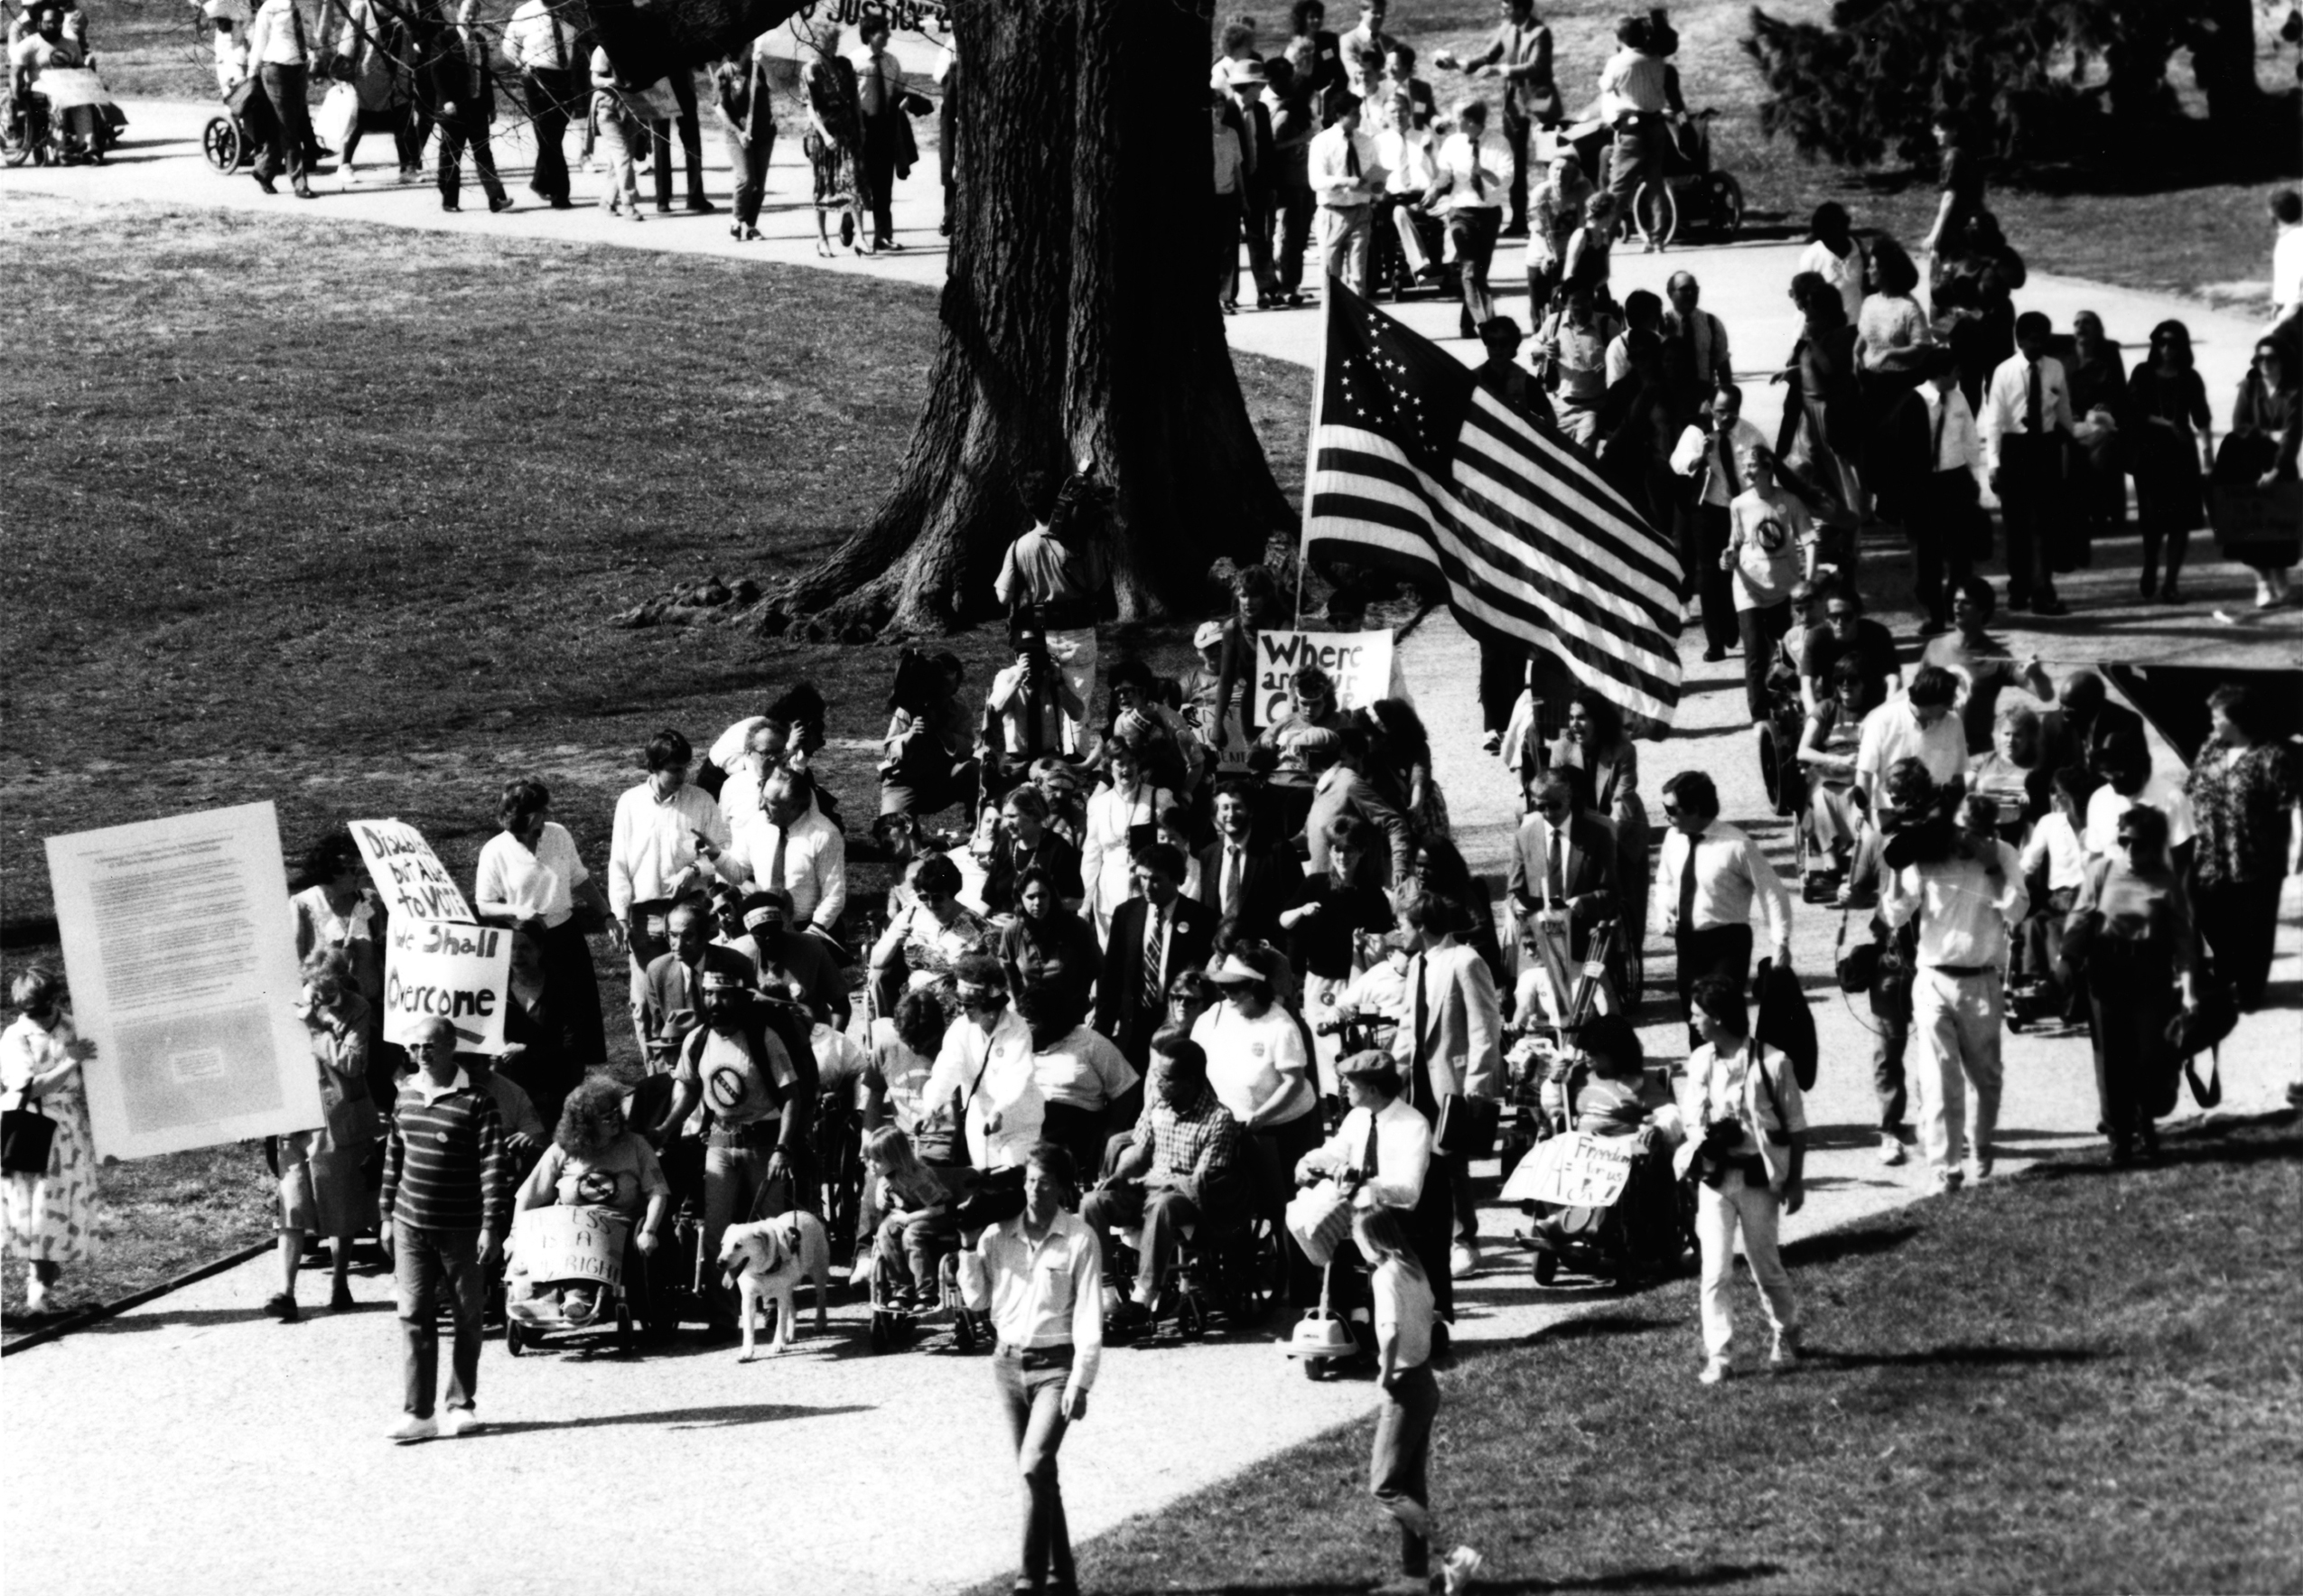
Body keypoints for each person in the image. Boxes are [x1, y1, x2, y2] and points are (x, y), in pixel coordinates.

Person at [956, 1143, 1102, 1596]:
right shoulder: (995, 1236)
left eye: (1045, 1182)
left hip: (1056, 1368)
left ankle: (1028, 1581)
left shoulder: (1080, 1238)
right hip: (1006, 1364)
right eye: (1030, 1181)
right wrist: (965, 1243)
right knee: (1038, 1474)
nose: (1035, 1190)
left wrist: (1081, 1380)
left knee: (1034, 1464)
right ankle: (1063, 1580)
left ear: (1062, 1187)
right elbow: (976, 1301)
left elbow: (1089, 1318)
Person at [1879, 772, 2026, 1190]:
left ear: (1989, 831)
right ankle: (1945, 1168)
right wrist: (1898, 863)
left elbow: (2016, 912)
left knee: (1987, 1078)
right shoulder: (1929, 855)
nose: (1964, 840)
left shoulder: (2003, 854)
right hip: (1933, 978)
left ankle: (1981, 1142)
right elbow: (1894, 914)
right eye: (1959, 830)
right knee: (1939, 1077)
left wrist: (1993, 866)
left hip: (1981, 980)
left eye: (1975, 834)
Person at [656, 967, 816, 1319]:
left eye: (724, 995)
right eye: (710, 994)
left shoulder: (764, 1038)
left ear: (741, 1000)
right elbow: (690, 1089)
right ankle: (724, 1315)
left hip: (763, 1144)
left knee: (771, 1230)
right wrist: (666, 1127)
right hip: (720, 1142)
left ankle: (776, 1305)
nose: (716, 1002)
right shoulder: (697, 1040)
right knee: (717, 1234)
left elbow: (792, 1097)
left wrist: (783, 1148)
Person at [379, 1017, 510, 1441]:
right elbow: (393, 1160)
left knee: (468, 1316)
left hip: (462, 1228)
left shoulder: (478, 1100)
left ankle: (460, 1404)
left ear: (452, 1045)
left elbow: (494, 1167)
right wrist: (385, 1216)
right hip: (410, 1225)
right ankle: (418, 1413)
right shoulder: (405, 1096)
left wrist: (491, 1226)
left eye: (429, 1046)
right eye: (414, 1047)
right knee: (413, 1314)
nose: (421, 1054)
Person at [1674, 975, 1805, 1385]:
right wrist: (1707, 1136)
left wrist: (1795, 1180)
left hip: (1757, 1182)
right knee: (1714, 1271)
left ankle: (1786, 1330)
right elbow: (1691, 1118)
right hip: (1715, 1180)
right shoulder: (1700, 1062)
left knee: (1765, 1265)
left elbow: (1797, 1128)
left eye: (1697, 1014)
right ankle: (1720, 1354)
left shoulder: (1773, 1062)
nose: (1692, 1021)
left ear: (1716, 1018)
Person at [2065, 805, 2201, 1167]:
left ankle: (2146, 1124)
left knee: (2148, 1056)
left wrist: (2188, 992)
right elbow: (2080, 917)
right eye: (2123, 842)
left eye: (2138, 845)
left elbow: (2185, 943)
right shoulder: (2102, 871)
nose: (2129, 851)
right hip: (2106, 971)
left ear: (2154, 846)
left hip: (2150, 974)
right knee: (2112, 1060)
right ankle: (2120, 1140)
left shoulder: (2166, 883)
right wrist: (2066, 961)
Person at [1081, 1030, 1239, 1329]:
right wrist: (1117, 1176)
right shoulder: (1157, 1105)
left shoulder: (1219, 1119)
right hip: (1149, 1187)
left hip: (1188, 1197)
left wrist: (1156, 1185)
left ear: (1190, 1081)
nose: (1156, 1083)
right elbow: (1140, 1151)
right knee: (1092, 1202)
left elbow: (1201, 1180)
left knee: (1163, 1204)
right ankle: (1107, 1296)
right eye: (1156, 1075)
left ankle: (1143, 1296)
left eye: (1166, 1078)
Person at [1391, 891, 1502, 1293]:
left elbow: (1485, 1025)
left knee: (1452, 1165)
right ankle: (1430, 1237)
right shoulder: (1418, 964)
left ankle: (1464, 1242)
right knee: (1421, 1161)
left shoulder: (1465, 961)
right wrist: (1391, 1072)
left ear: (1421, 926)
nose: (1397, 931)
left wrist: (1477, 1081)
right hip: (1418, 1080)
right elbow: (1409, 1024)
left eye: (1401, 924)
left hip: (1452, 1081)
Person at [267, 949, 380, 1321]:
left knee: (339, 1203)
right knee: (292, 1204)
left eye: (326, 989)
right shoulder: (292, 998)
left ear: (340, 982)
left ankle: (340, 1282)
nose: (317, 995)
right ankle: (285, 1292)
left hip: (337, 1120)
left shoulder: (358, 1008)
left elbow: (352, 1062)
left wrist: (315, 1026)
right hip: (295, 1116)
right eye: (313, 987)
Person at [474, 776, 613, 1071]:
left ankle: (575, 1072)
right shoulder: (495, 850)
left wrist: (607, 915)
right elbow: (485, 905)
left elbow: (580, 878)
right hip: (522, 942)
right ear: (530, 815)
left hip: (564, 936)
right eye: (543, 811)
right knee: (533, 1011)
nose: (547, 816)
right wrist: (518, 911)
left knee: (574, 1012)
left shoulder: (558, 835)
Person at [510, 1076, 670, 1324]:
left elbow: (658, 1192)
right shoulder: (562, 1150)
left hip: (619, 1227)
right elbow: (527, 1196)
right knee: (548, 1229)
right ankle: (546, 1296)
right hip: (566, 1229)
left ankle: (577, 1297)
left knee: (589, 1239)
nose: (615, 1118)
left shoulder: (636, 1146)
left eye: (616, 1111)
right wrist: (514, 1234)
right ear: (584, 1124)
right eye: (606, 1116)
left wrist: (649, 1230)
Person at [2182, 683, 2301, 1014]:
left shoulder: (2271, 756)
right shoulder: (2210, 748)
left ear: (2236, 720)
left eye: (2217, 716)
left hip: (2255, 861)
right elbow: (2190, 788)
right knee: (2211, 919)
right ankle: (2228, 971)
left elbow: (2289, 805)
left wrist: (2292, 849)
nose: (2212, 722)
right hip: (2209, 856)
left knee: (2255, 930)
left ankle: (2251, 990)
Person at [607, 730, 726, 1053]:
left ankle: (702, 1062)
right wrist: (619, 916)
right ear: (653, 767)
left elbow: (722, 853)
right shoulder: (630, 803)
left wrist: (694, 869)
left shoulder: (701, 801)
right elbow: (619, 863)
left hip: (689, 911)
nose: (682, 776)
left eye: (685, 768)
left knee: (694, 992)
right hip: (644, 917)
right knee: (645, 1002)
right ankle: (658, 1078)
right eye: (674, 769)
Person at [1655, 770, 1793, 1047]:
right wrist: (1664, 910)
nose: (1665, 816)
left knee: (1722, 1016)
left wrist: (1780, 942)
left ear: (1694, 809)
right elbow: (1666, 879)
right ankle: (1704, 1081)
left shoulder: (1737, 845)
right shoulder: (1673, 839)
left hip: (1727, 943)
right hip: (1689, 942)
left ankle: (1738, 1077)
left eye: (1671, 809)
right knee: (1694, 1019)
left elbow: (1771, 891)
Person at [2, 966, 98, 1316]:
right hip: (27, 1126)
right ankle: (37, 1293)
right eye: (30, 1012)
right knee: (35, 1211)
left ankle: (40, 1292)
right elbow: (29, 1087)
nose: (37, 1018)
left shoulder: (73, 1025)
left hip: (66, 1129)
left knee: (60, 1209)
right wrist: (71, 1061)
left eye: (42, 1010)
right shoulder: (16, 1036)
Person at [994, 468, 1105, 748]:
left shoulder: (1020, 546)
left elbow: (1003, 596)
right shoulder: (1075, 541)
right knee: (1075, 711)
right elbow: (1096, 582)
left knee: (1044, 707)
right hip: (1078, 634)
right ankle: (1073, 774)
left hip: (1039, 638)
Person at [1981, 311, 2075, 616]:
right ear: (2019, 340)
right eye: (2032, 340)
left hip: (2045, 447)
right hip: (2015, 449)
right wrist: (1994, 464)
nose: (2038, 345)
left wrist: (2071, 442)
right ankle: (2018, 588)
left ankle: (2041, 587)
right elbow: (1994, 422)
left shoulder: (2055, 368)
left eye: (2042, 339)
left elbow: (2063, 409)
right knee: (2016, 525)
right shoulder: (2004, 372)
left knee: (2045, 524)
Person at [1668, 383, 1765, 661]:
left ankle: (1732, 624)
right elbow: (1678, 462)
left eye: (1732, 411)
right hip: (1706, 510)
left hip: (1738, 512)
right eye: (1721, 411)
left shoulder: (1749, 434)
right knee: (1709, 574)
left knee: (1735, 571)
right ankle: (1715, 642)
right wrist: (1701, 456)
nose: (1726, 417)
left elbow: (1766, 468)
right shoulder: (1697, 431)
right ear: (1711, 407)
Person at [1096, 845, 1217, 1067]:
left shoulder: (1202, 919)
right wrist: (1101, 1033)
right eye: (1142, 878)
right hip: (1133, 1024)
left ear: (1176, 879)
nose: (1147, 886)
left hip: (1176, 1022)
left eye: (1155, 879)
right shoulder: (1126, 914)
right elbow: (1110, 978)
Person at [2122, 320, 2214, 604]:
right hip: (2150, 453)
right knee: (2153, 521)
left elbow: (2202, 418)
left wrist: (2208, 455)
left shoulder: (2190, 377)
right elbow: (2133, 411)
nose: (2166, 348)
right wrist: (2168, 423)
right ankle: (2151, 565)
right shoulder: (2143, 373)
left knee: (2181, 521)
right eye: (2161, 342)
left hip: (2182, 454)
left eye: (2173, 343)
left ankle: (2171, 583)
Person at [1721, 445, 1813, 723]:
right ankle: (1759, 716)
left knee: (1788, 650)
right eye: (1745, 466)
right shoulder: (1738, 504)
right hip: (1747, 586)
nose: (1747, 471)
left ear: (1768, 469)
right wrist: (1726, 559)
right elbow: (1735, 544)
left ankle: (1786, 705)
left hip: (1783, 586)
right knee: (1755, 654)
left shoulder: (1789, 501)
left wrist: (1809, 581)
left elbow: (1809, 542)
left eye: (1753, 466)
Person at [711, 769, 846, 947]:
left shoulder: (824, 835)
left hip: (807, 930)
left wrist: (811, 934)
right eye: (763, 798)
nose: (761, 806)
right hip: (763, 928)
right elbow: (738, 873)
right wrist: (715, 855)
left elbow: (833, 893)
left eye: (770, 802)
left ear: (793, 805)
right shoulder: (757, 823)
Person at [1018, 980, 1137, 1182]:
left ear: (1052, 1020)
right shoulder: (1018, 1043)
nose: (1025, 1027)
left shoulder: (1090, 1042)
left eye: (1032, 1021)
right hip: (1027, 1119)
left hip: (1074, 1125)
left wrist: (1112, 1128)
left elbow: (1127, 1086)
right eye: (1023, 1020)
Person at [1919, 578, 2053, 756]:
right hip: (1934, 748)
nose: (1958, 607)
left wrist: (2037, 675)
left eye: (1966, 603)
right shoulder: (1934, 648)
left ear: (1983, 609)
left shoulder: (1995, 656)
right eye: (1956, 601)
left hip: (1976, 753)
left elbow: (2045, 695)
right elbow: (1914, 695)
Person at [2217, 337, 2302, 608]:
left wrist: (2277, 468)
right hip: (2249, 463)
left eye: (2271, 358)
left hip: (2281, 465)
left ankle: (2281, 581)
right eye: (2259, 358)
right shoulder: (2249, 387)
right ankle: (2262, 585)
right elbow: (2239, 426)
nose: (2264, 363)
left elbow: (2292, 434)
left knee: (2281, 528)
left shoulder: (2294, 392)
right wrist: (2267, 433)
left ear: (2282, 361)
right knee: (2253, 529)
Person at [1506, 769, 1619, 970]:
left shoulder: (1597, 835)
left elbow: (1612, 893)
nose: (1549, 813)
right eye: (1541, 807)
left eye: (1555, 805)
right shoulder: (1524, 838)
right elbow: (1513, 892)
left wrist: (1585, 903)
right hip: (1539, 946)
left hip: (1584, 944)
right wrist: (1517, 906)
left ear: (1568, 797)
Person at [1912, 348, 1984, 635]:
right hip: (1927, 485)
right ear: (1941, 373)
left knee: (1960, 551)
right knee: (1928, 554)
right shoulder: (1915, 400)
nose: (1961, 375)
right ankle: (1935, 615)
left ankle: (1956, 606)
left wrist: (1973, 478)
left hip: (1956, 480)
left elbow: (1969, 438)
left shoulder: (1959, 398)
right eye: (1956, 370)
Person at [869, 853, 991, 1015]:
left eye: (938, 898)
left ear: (953, 893)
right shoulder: (911, 914)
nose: (931, 904)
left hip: (958, 1010)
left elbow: (991, 977)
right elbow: (875, 961)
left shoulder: (976, 926)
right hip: (914, 1007)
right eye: (924, 897)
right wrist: (894, 940)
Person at [1424, 99, 1505, 340]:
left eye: (1456, 116)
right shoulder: (1452, 143)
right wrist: (1435, 190)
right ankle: (1487, 325)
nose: (1451, 121)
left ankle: (1466, 323)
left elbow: (1506, 180)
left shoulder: (1498, 143)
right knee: (1470, 269)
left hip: (1489, 213)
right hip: (1460, 212)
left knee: (1479, 272)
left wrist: (1483, 172)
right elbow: (1445, 175)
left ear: (1470, 120)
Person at [424, 0, 512, 213]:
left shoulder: (480, 40)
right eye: (466, 12)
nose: (470, 17)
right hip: (453, 107)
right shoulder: (443, 39)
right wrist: (446, 100)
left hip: (477, 106)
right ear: (457, 12)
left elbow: (485, 74)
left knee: (484, 153)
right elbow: (437, 73)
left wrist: (490, 106)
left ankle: (496, 198)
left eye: (474, 13)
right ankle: (450, 199)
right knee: (451, 154)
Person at [1854, 662, 1967, 809]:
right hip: (1890, 813)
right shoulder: (1882, 721)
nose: (1951, 707)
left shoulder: (1953, 722)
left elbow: (1958, 777)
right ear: (1928, 701)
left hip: (1936, 814)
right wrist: (1864, 816)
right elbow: (1864, 774)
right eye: (1947, 703)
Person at [1595, 13, 1667, 236]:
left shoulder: (1618, 62)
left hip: (1632, 128)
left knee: (1619, 186)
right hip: (1656, 124)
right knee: (1655, 182)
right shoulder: (1656, 59)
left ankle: (1607, 235)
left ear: (1620, 38)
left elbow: (1605, 86)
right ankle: (1659, 233)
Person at [2082, 728, 2195, 870]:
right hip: (2114, 887)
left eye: (2118, 772)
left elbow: (2184, 861)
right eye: (2107, 773)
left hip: (2157, 887)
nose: (2112, 779)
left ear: (2136, 765)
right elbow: (2095, 857)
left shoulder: (2171, 796)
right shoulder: (2099, 800)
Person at [2065, 310, 2127, 564]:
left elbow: (2120, 392)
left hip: (2102, 422)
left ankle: (2100, 510)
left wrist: (2106, 407)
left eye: (2086, 323)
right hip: (2073, 422)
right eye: (2077, 323)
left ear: (2098, 330)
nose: (2081, 328)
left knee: (2102, 444)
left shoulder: (2108, 358)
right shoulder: (2065, 360)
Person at [503, 0, 579, 207]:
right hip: (538, 76)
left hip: (565, 77)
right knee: (547, 135)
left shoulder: (569, 10)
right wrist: (522, 65)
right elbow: (508, 45)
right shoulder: (525, 13)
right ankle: (560, 192)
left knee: (556, 134)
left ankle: (540, 182)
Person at [1310, 88, 1385, 293]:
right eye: (1354, 113)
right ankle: (1332, 322)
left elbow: (1375, 171)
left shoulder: (1366, 141)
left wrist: (1378, 186)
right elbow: (1316, 180)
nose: (1359, 117)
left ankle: (1357, 322)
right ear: (1340, 115)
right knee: (1330, 276)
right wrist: (1345, 181)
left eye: (1360, 112)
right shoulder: (1322, 142)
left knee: (1359, 276)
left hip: (1361, 211)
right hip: (1332, 212)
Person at [242, 0, 316, 198]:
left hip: (299, 69)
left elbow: (310, 36)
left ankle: (263, 171)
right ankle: (299, 183)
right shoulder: (270, 8)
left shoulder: (302, 6)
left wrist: (314, 55)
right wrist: (252, 75)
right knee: (289, 127)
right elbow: (259, 42)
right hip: (276, 69)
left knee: (285, 124)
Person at [803, 21, 864, 256]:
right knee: (823, 184)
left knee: (853, 180)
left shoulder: (844, 65)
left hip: (847, 130)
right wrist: (825, 135)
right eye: (830, 42)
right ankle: (822, 238)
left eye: (836, 42)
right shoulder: (810, 70)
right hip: (823, 133)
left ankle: (860, 236)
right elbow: (811, 108)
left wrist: (860, 126)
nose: (834, 46)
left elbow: (854, 97)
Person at [850, 12, 907, 252]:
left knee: (884, 183)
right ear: (871, 34)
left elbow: (900, 89)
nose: (889, 35)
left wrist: (903, 101)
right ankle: (850, 221)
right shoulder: (854, 61)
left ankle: (882, 235)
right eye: (884, 31)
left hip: (885, 126)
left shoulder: (892, 61)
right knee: (861, 181)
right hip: (862, 128)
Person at [715, 39, 776, 241]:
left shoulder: (757, 68)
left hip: (764, 132)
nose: (753, 48)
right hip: (737, 134)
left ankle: (751, 226)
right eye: (749, 46)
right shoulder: (725, 73)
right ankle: (736, 220)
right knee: (746, 178)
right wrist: (738, 132)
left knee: (759, 184)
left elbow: (775, 87)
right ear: (739, 50)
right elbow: (720, 108)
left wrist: (765, 63)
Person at [588, 42, 647, 220]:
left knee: (619, 160)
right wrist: (615, 81)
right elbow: (595, 80)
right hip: (608, 109)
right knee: (623, 157)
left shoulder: (635, 48)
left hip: (631, 107)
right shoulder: (604, 50)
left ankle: (607, 201)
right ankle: (628, 203)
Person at [1856, 237, 1931, 371]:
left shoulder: (1909, 308)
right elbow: (1864, 334)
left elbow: (1923, 347)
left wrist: (1889, 354)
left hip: (1897, 382)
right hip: (1869, 379)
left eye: (1872, 267)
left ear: (1885, 272)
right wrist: (1856, 353)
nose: (1867, 271)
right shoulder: (1870, 302)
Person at [1471, 315, 1553, 429]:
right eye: (1492, 342)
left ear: (1513, 345)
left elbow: (1550, 420)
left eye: (1503, 342)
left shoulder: (1527, 382)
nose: (1497, 348)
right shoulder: (1472, 380)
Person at [1797, 201, 1868, 331]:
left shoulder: (1859, 251)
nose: (1840, 231)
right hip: (1826, 332)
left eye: (1843, 224)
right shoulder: (1812, 257)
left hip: (1856, 328)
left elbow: (1870, 289)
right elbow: (1805, 304)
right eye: (1831, 228)